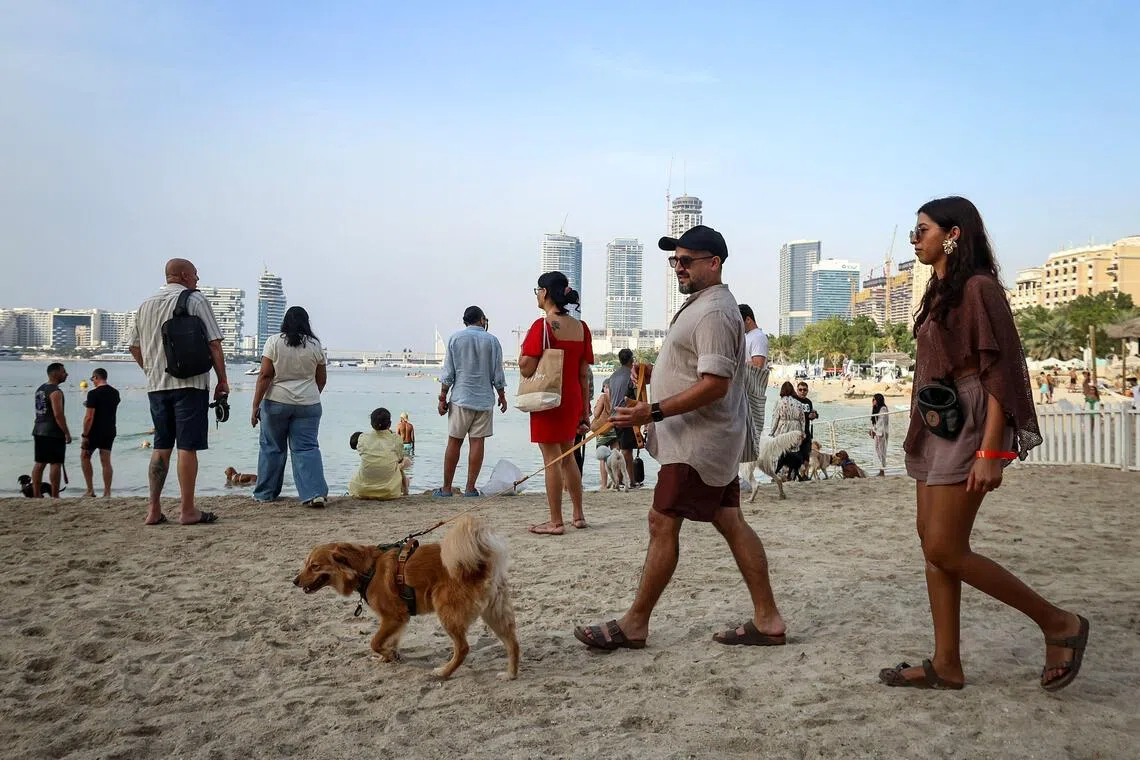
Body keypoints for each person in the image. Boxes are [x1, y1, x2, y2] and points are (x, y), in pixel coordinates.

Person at [882, 196, 1086, 692]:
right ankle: (946, 663)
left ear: (953, 234)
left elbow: (1001, 371)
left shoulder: (979, 288)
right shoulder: (939, 290)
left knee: (945, 547)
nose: (914, 240)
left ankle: (1059, 623)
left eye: (923, 230)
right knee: (931, 543)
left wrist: (991, 452)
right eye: (914, 232)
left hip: (971, 417)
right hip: (939, 419)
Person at [573, 224, 786, 651]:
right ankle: (768, 619)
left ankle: (635, 623)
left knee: (662, 521)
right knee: (730, 521)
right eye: (674, 260)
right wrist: (656, 374)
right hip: (707, 439)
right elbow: (699, 370)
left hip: (697, 443)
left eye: (686, 260)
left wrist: (651, 410)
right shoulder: (707, 305)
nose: (678, 267)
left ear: (715, 263)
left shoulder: (713, 311)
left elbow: (715, 384)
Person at [129, 258, 228, 525]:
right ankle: (187, 510)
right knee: (187, 447)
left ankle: (153, 510)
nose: (197, 279)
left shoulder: (145, 305)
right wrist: (222, 380)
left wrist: (150, 370)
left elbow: (134, 346)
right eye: (195, 274)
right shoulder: (195, 299)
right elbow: (214, 343)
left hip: (157, 387)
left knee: (161, 445)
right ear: (184, 275)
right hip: (190, 384)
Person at [520, 271, 593, 534]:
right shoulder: (581, 328)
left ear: (546, 293)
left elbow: (527, 367)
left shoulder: (542, 326)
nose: (537, 295)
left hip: (549, 397)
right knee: (568, 456)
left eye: (538, 291)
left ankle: (555, 521)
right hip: (572, 397)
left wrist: (521, 355)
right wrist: (585, 410)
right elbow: (583, 374)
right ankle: (578, 515)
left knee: (551, 459)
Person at [250, 306, 329, 507]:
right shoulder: (315, 345)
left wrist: (255, 405)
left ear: (285, 322)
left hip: (276, 402)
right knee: (307, 448)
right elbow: (321, 379)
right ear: (306, 322)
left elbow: (265, 375)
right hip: (309, 404)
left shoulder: (274, 342)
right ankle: (315, 493)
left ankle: (265, 494)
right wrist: (308, 396)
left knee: (272, 448)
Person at [435, 306, 508, 497]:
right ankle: (470, 488)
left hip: (461, 398)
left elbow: (448, 373)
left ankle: (446, 488)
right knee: (477, 442)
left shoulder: (455, 339)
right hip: (484, 400)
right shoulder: (492, 341)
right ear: (481, 319)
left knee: (454, 442)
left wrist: (442, 397)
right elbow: (497, 374)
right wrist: (502, 396)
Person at [348, 408, 410, 500]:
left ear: (371, 424)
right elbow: (400, 458)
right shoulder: (396, 439)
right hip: (389, 492)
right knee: (404, 462)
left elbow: (358, 448)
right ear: (389, 424)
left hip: (363, 490)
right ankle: (405, 489)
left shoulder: (363, 439)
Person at [737, 305, 771, 470]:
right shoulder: (748, 337)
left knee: (747, 431)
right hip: (744, 388)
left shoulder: (758, 337)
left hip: (751, 389)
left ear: (748, 319)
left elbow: (758, 364)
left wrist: (735, 364)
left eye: (739, 321)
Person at [31, 363, 71, 498]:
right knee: (55, 463)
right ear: (55, 373)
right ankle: (55, 495)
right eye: (63, 372)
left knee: (40, 463)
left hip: (39, 429)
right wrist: (66, 433)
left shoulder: (40, 389)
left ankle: (36, 493)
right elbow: (58, 414)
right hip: (53, 431)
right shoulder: (55, 392)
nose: (66, 374)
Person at [80, 367, 120, 497]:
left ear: (96, 377)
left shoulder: (93, 394)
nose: (92, 381)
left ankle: (90, 490)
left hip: (94, 431)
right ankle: (107, 492)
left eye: (92, 379)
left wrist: (85, 435)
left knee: (85, 457)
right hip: (109, 430)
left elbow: (89, 417)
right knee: (106, 461)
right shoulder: (115, 393)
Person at [605, 349, 639, 485]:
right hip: (625, 415)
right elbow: (636, 396)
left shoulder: (613, 376)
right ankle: (630, 481)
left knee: (622, 447)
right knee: (626, 450)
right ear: (631, 360)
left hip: (614, 415)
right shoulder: (631, 375)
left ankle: (619, 479)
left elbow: (610, 396)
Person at [592, 380, 619, 489]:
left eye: (605, 387)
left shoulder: (603, 397)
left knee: (603, 458)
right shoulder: (618, 396)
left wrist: (595, 407)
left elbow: (596, 414)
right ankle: (616, 483)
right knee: (615, 456)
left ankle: (603, 484)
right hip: (615, 428)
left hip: (603, 430)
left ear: (605, 387)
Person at [869, 392, 889, 477]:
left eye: (874, 399)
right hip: (878, 433)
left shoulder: (883, 408)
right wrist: (872, 429)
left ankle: (882, 470)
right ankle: (881, 469)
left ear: (878, 400)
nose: (873, 401)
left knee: (881, 451)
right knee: (878, 450)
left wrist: (873, 430)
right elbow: (875, 422)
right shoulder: (876, 409)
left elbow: (881, 421)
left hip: (882, 433)